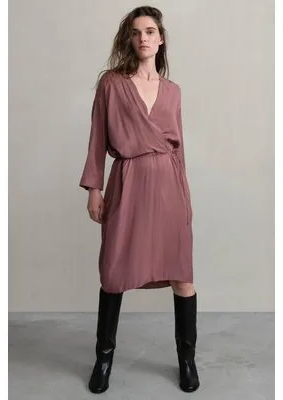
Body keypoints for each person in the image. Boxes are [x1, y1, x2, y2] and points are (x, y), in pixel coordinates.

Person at [79, 5, 200, 394]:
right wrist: (94, 188)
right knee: (114, 271)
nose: (143, 38)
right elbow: (98, 138)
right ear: (129, 39)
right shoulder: (112, 84)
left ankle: (187, 361)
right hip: (128, 181)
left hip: (169, 186)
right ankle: (103, 359)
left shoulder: (173, 91)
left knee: (182, 274)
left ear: (160, 39)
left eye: (150, 31)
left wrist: (185, 197)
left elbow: (179, 150)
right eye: (136, 32)